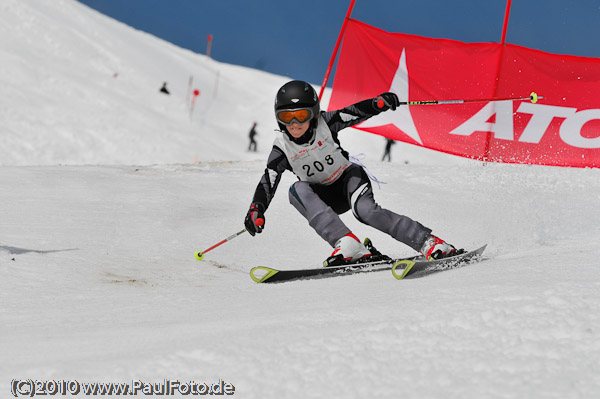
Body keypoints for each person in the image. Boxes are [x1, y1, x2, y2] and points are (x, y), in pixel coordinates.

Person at [244, 80, 460, 265]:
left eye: (301, 115)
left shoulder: (325, 123)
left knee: (366, 211)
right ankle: (348, 244)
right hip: (324, 198)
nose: (294, 123)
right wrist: (257, 208)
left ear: (314, 114)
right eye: (286, 117)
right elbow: (268, 179)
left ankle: (428, 242)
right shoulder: (281, 147)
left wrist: (378, 104)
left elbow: (353, 112)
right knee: (296, 189)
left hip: (349, 180)